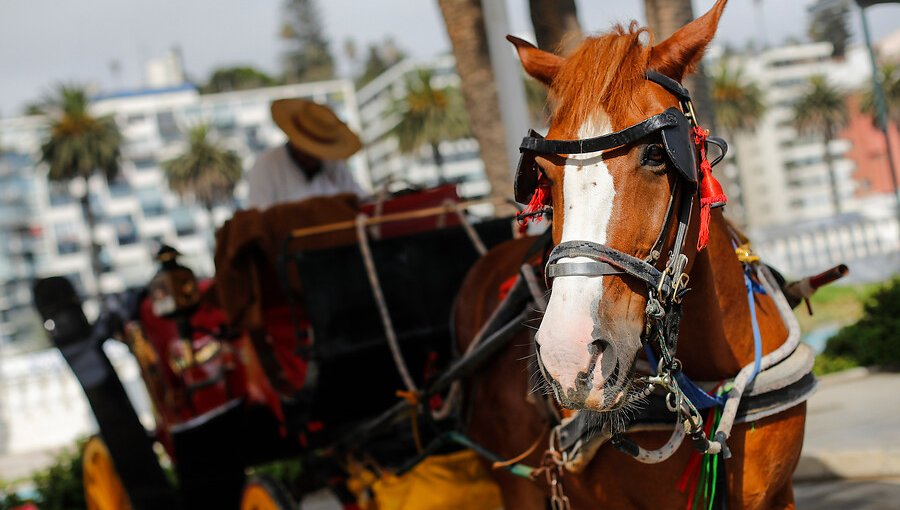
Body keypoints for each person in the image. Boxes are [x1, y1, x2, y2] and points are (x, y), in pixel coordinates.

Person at [247, 98, 364, 209]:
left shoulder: (333, 164)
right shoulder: (265, 166)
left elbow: (361, 200)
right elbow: (259, 219)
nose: (314, 155)